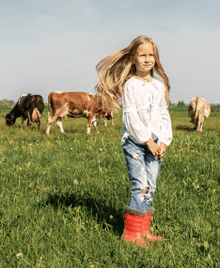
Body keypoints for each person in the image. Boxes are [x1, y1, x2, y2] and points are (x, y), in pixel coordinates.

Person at [95, 36, 172, 247]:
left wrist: (164, 141)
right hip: (136, 142)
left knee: (151, 186)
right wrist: (148, 142)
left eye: (151, 55)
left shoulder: (159, 86)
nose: (148, 59)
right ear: (133, 58)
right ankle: (130, 234)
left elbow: (164, 115)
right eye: (143, 55)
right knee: (140, 185)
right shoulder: (130, 85)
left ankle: (143, 231)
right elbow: (131, 118)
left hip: (156, 143)